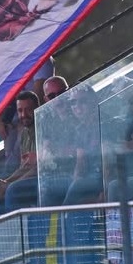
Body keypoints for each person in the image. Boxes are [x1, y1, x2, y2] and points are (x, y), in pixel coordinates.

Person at [0, 56, 55, 179]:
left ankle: (7, 185)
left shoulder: (42, 59)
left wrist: (25, 118)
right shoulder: (12, 60)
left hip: (31, 117)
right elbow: (3, 93)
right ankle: (5, 184)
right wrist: (1, 120)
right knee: (10, 155)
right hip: (12, 118)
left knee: (18, 156)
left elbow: (38, 96)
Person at [0, 91, 41, 213]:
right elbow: (24, 166)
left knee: (13, 191)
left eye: (28, 110)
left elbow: (38, 168)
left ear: (37, 108)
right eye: (20, 111)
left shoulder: (43, 128)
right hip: (29, 178)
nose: (24, 114)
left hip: (44, 178)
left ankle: (18, 230)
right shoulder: (24, 133)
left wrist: (10, 184)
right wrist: (6, 181)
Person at [36, 76, 79, 206]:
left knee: (47, 188)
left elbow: (76, 152)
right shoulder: (46, 119)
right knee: (15, 190)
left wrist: (55, 151)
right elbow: (45, 152)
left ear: (69, 91)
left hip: (74, 172)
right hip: (52, 174)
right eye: (52, 96)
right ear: (46, 100)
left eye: (61, 93)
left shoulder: (79, 112)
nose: (58, 100)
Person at [62, 84, 104, 205]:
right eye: (73, 102)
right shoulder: (80, 129)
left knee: (77, 185)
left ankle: (62, 221)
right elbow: (80, 163)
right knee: (48, 186)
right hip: (88, 177)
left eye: (83, 101)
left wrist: (104, 190)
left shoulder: (105, 122)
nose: (77, 106)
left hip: (101, 177)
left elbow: (111, 163)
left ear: (94, 102)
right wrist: (74, 180)